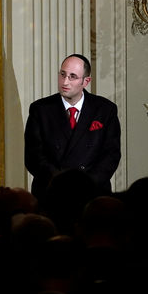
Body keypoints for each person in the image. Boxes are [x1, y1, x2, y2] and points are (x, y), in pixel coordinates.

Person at [24, 54, 121, 198]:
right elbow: (34, 156)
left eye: (72, 76)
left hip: (92, 194)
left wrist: (86, 184)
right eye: (62, 74)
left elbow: (111, 155)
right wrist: (61, 182)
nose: (65, 81)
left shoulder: (105, 110)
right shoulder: (40, 109)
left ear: (86, 81)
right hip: (51, 193)